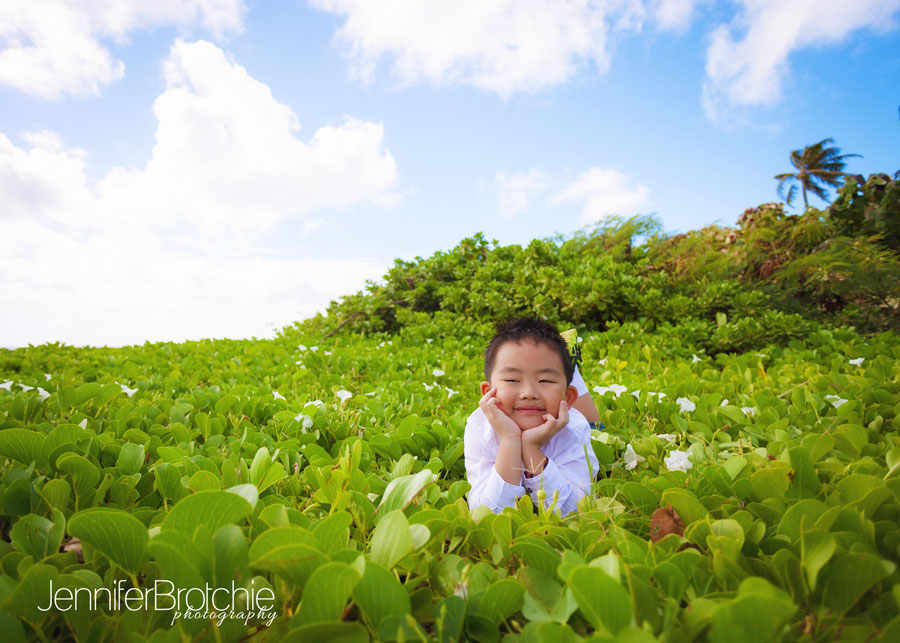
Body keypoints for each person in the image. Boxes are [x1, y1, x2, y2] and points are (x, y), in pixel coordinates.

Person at [464, 317, 600, 516]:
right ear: (488, 392)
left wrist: (531, 449)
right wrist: (510, 440)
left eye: (545, 379)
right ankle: (560, 371)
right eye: (512, 379)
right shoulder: (479, 427)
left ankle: (572, 372)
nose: (528, 393)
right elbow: (487, 514)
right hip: (553, 402)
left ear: (567, 398)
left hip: (576, 417)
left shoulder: (576, 426)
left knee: (596, 426)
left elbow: (576, 510)